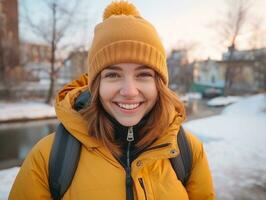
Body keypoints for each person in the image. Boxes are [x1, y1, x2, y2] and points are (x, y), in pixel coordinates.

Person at [9, 1, 215, 199]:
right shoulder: (47, 159)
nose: (129, 91)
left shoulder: (187, 152)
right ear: (96, 84)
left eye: (143, 74)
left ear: (158, 84)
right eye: (113, 75)